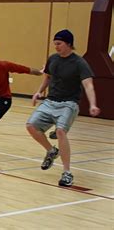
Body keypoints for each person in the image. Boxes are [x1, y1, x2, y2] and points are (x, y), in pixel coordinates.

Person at [26, 29, 100, 187]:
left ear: (69, 44)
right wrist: (39, 92)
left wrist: (93, 104)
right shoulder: (53, 59)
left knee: (60, 131)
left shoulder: (79, 63)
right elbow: (47, 77)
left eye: (59, 44)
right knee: (31, 126)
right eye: (55, 44)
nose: (56, 47)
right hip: (50, 101)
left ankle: (67, 173)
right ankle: (51, 151)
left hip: (69, 103)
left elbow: (88, 85)